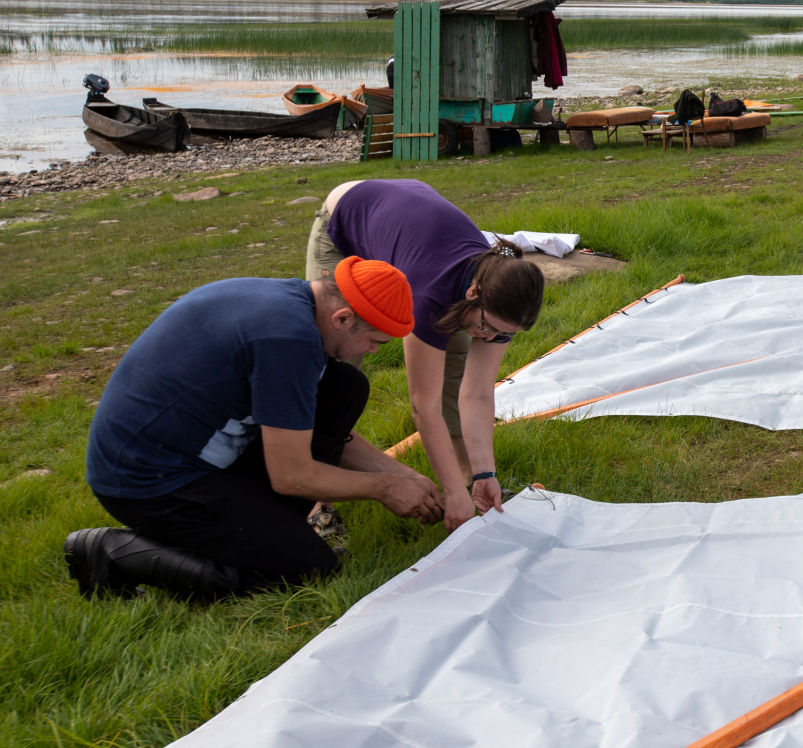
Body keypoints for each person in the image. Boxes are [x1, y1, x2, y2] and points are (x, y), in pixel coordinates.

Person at [70, 258, 446, 601]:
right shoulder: (287, 342)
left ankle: (263, 524)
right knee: (306, 569)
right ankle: (112, 551)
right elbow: (292, 475)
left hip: (183, 448)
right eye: (375, 340)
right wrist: (385, 488)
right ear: (344, 318)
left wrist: (403, 475)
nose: (376, 351)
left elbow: (307, 427)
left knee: (344, 387)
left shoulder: (292, 303)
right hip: (148, 482)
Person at [306, 178, 544, 531]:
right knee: (336, 370)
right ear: (473, 292)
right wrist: (449, 493)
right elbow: (423, 406)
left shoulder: (503, 300)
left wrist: (485, 472)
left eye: (502, 334)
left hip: (407, 217)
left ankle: (470, 480)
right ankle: (317, 503)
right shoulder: (429, 295)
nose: (490, 338)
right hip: (346, 219)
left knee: (455, 367)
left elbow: (477, 393)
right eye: (487, 326)